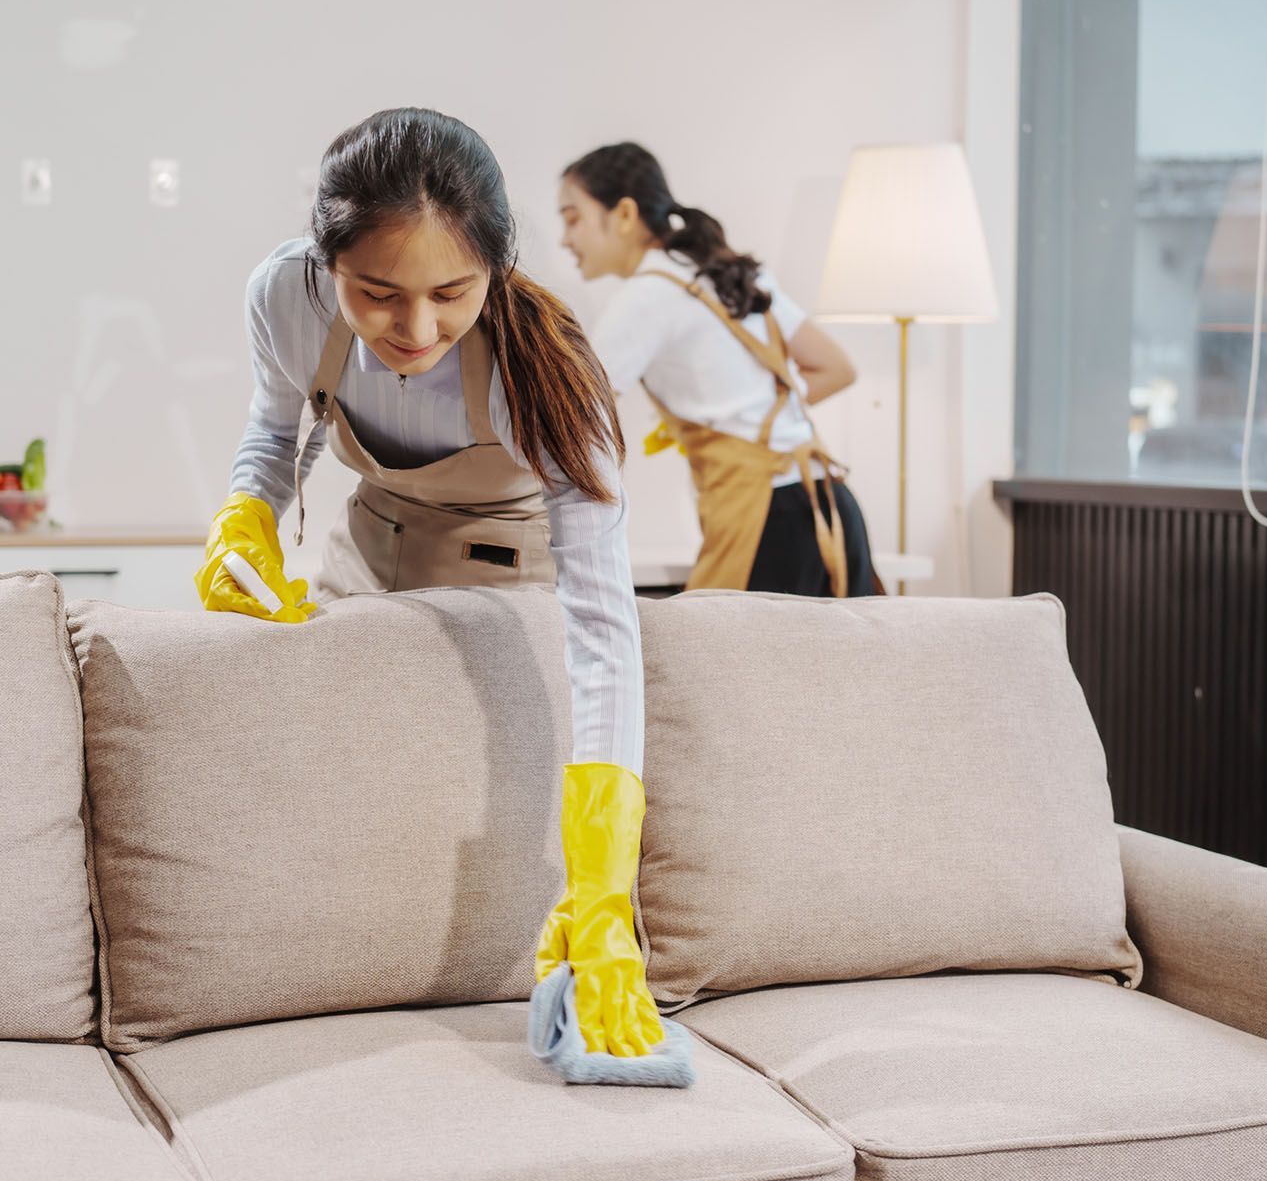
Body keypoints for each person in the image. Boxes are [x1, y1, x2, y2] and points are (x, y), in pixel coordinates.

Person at [195, 108, 659, 1059]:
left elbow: (605, 625)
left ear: (497, 263)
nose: (416, 329)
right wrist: (246, 512)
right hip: (368, 553)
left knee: (451, 792)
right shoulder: (284, 296)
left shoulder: (551, 373)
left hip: (507, 584)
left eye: (452, 293)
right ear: (328, 261)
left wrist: (606, 884)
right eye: (377, 293)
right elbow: (277, 428)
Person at [560, 141, 878, 596]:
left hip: (767, 522)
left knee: (726, 644)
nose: (565, 239)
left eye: (573, 218)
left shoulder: (645, 297)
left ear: (625, 214)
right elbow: (835, 368)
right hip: (831, 503)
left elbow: (571, 414)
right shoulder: (727, 271)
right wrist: (754, 416)